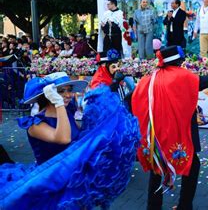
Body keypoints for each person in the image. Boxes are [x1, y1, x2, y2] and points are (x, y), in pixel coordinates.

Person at [0, 72, 140, 208]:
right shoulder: (34, 124)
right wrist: (59, 103)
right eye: (61, 91)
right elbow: (64, 138)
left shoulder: (67, 113)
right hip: (50, 184)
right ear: (48, 94)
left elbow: (78, 139)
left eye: (69, 90)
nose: (67, 95)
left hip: (73, 179)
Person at [131, 46, 208, 210]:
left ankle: (153, 207)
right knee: (192, 165)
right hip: (181, 132)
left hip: (156, 134)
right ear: (179, 61)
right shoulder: (182, 76)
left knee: (157, 169)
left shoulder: (150, 78)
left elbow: (133, 97)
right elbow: (207, 81)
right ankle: (184, 205)